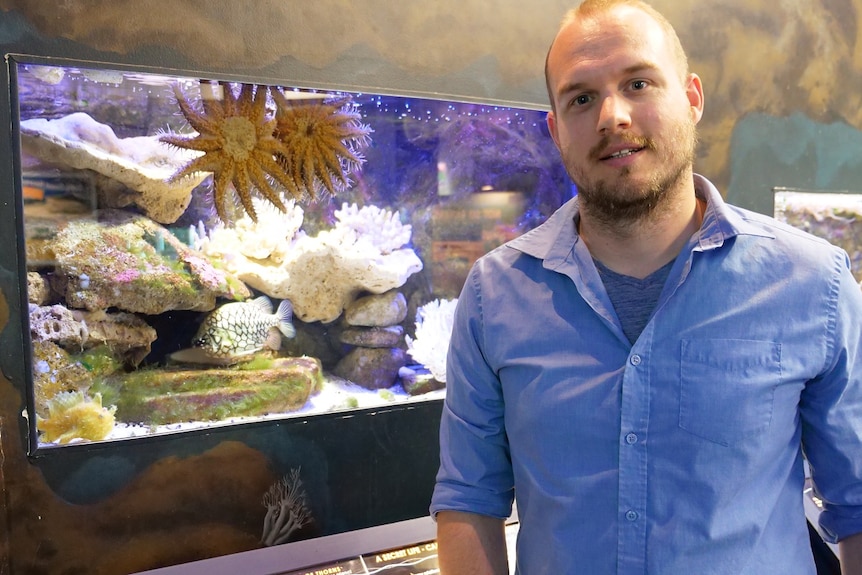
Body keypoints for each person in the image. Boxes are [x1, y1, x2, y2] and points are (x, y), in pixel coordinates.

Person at [429, 0, 862, 573]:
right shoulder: (494, 296)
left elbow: (856, 504)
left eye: (638, 82)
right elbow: (468, 502)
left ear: (691, 98)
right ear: (556, 130)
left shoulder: (816, 284)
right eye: (581, 97)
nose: (612, 115)